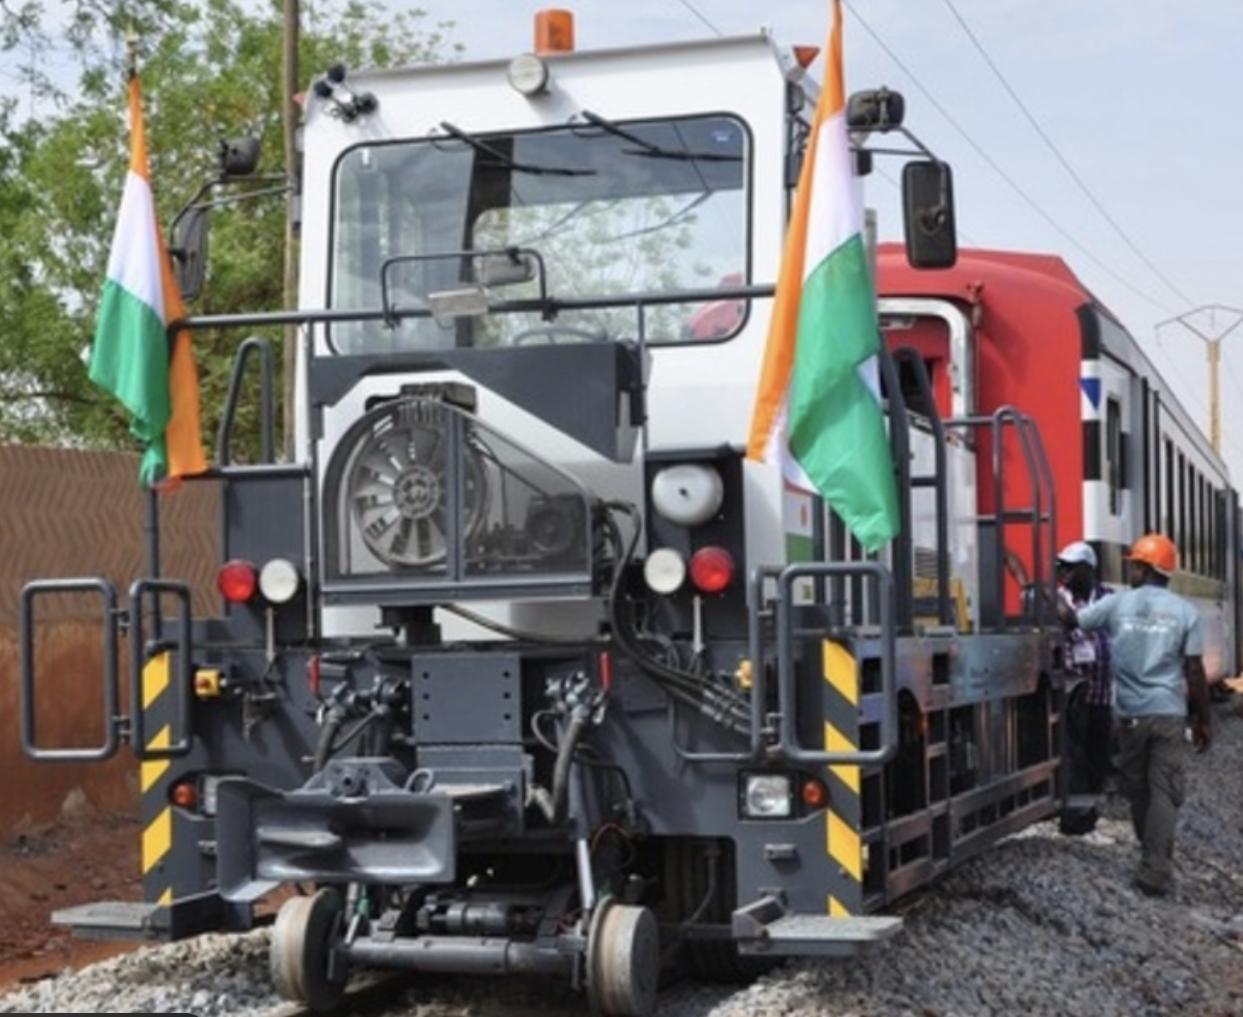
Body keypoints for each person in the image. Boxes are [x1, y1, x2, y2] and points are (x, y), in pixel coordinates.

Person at [1060, 533, 1212, 897]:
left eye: (1133, 565)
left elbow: (1072, 621)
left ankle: (1153, 862)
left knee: (1139, 791)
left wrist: (1046, 594)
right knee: (1165, 791)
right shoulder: (1185, 612)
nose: (1129, 570)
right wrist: (1203, 719)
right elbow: (1194, 672)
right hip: (1169, 714)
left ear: (1145, 569)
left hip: (1129, 715)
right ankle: (1155, 866)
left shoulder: (1117, 606)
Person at [1055, 540, 1113, 835]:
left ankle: (1088, 811)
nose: (1063, 571)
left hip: (1101, 693)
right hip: (1073, 693)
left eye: (1070, 567)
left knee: (1097, 756)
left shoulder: (1108, 599)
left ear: (1089, 569)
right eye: (1061, 565)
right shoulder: (1056, 598)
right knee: (1074, 754)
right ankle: (1074, 819)